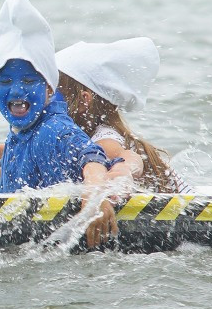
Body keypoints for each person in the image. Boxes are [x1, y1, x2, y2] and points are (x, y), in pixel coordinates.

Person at [0, 0, 118, 247]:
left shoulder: (54, 128)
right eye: (4, 81)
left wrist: (94, 197)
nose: (15, 91)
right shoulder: (21, 129)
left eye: (28, 81)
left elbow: (92, 156)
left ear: (49, 88)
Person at [55, 37, 192, 194]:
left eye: (51, 90)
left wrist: (123, 171)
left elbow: (129, 157)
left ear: (82, 101)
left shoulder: (102, 140)